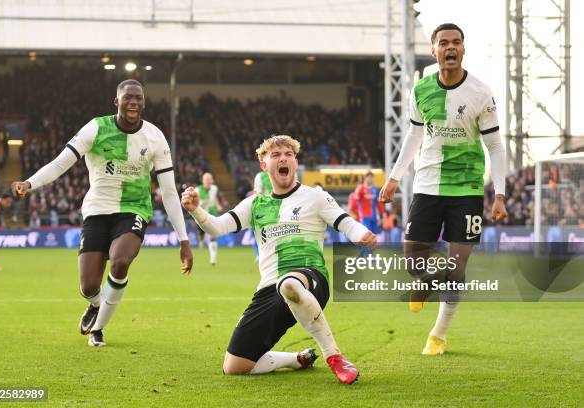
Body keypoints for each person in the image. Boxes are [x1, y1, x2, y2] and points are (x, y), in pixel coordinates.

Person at [12, 79, 193, 347]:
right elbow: (62, 162)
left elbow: (168, 191)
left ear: (143, 103)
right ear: (116, 101)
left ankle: (99, 328)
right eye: (127, 97)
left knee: (120, 261)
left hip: (133, 209)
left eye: (138, 98)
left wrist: (184, 240)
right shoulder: (96, 128)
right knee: (88, 287)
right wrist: (30, 183)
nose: (133, 102)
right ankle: (96, 305)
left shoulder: (155, 137)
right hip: (97, 209)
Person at [182, 135, 376, 384]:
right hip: (269, 290)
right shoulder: (255, 204)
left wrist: (362, 235)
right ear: (264, 165)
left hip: (310, 277)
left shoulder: (314, 196)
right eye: (275, 155)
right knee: (236, 365)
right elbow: (218, 228)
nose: (283, 158)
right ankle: (296, 359)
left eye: (288, 154)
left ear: (295, 162)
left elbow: (344, 221)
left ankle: (335, 357)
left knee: (289, 283)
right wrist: (196, 210)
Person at [380, 23, 507, 356]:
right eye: (443, 43)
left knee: (458, 266)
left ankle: (438, 334)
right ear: (434, 50)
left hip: (466, 187)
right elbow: (414, 135)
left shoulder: (480, 92)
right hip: (427, 183)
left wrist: (500, 193)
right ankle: (427, 281)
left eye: (457, 42)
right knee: (413, 261)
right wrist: (395, 176)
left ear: (463, 49)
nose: (450, 48)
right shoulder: (421, 89)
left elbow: (496, 145)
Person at [195, 172, 223, 265]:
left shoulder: (214, 188)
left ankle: (213, 258)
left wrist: (218, 205)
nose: (208, 181)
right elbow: (195, 204)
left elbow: (214, 198)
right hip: (201, 215)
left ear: (212, 180)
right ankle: (201, 240)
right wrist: (203, 203)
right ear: (203, 180)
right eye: (206, 179)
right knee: (201, 235)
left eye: (210, 179)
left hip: (212, 214)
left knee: (212, 235)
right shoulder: (197, 190)